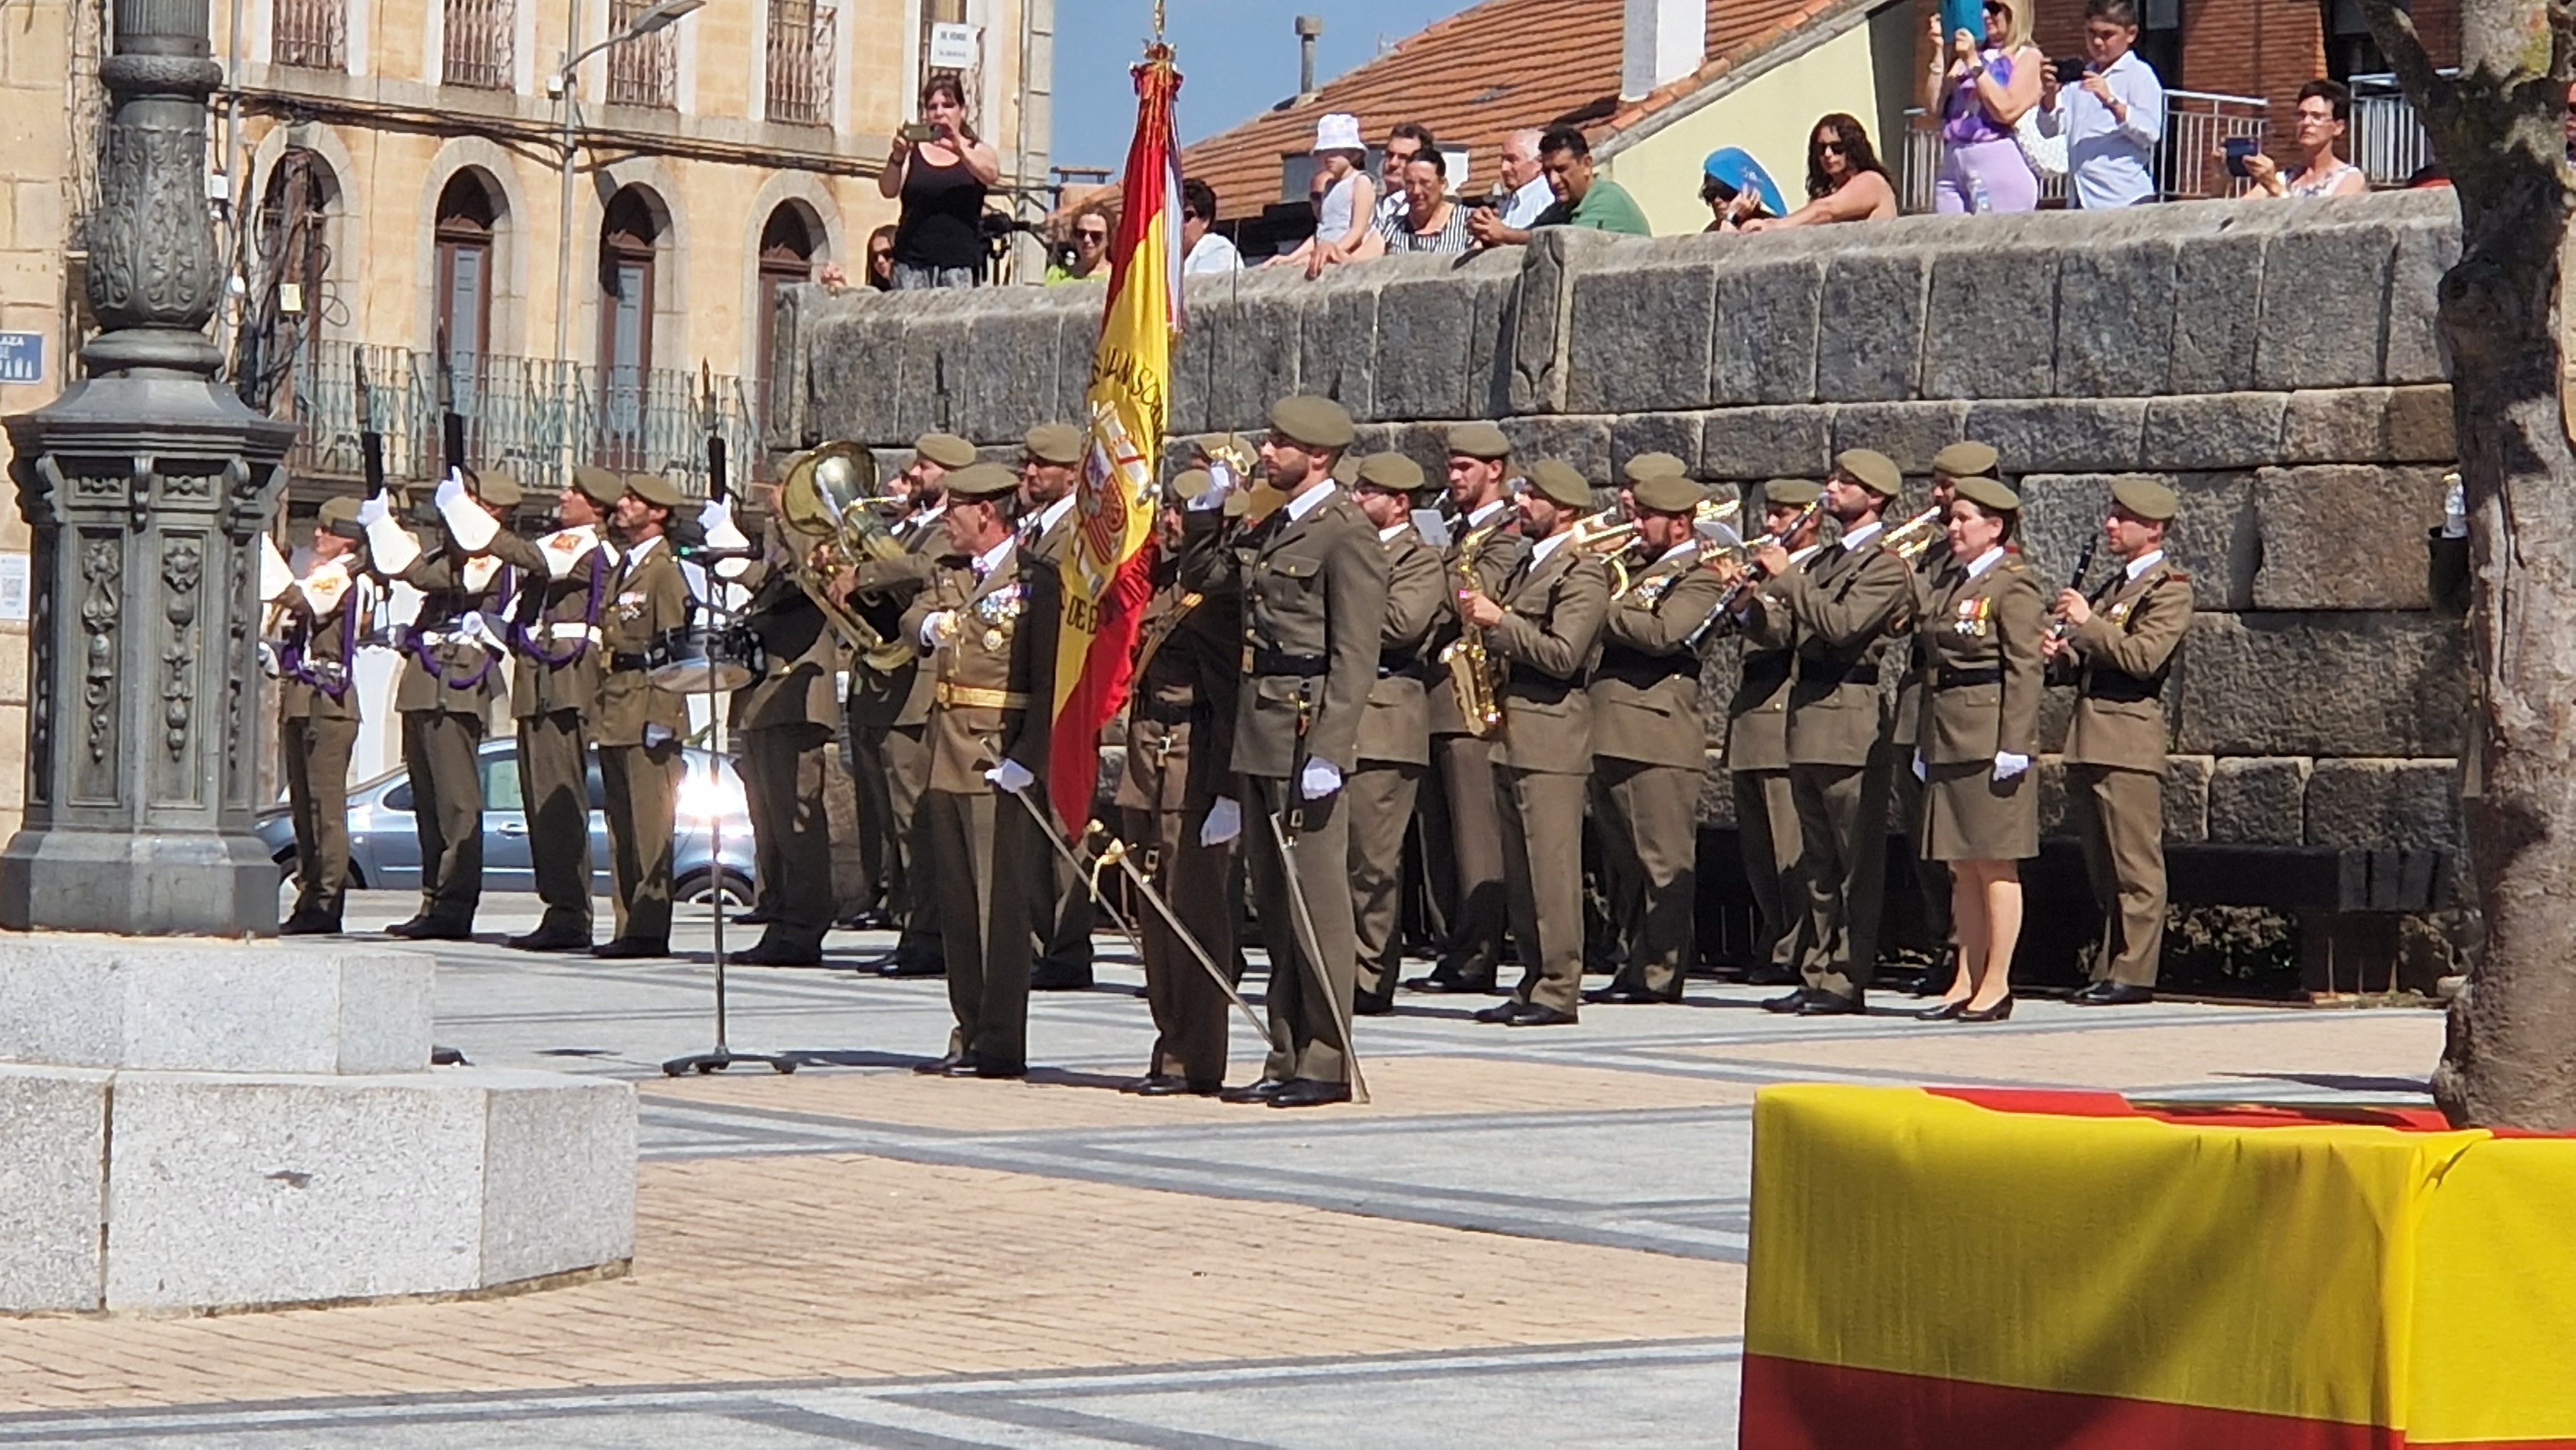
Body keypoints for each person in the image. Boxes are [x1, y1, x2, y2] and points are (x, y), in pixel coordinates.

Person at [1180, 396, 1390, 1108]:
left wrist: (1331, 747)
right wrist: (1206, 512)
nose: (1265, 453)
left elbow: (1355, 654)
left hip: (1306, 733)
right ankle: (1285, 1052)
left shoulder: (1346, 533)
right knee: (1273, 902)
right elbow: (1206, 583)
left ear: (1320, 456)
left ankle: (1327, 1059)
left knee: (1317, 907)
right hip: (1263, 730)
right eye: (1269, 440)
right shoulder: (1276, 522)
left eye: (1279, 444)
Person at [1722, 449, 1913, 1017]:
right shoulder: (1828, 559)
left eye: (1845, 483)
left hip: (1848, 719)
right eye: (1833, 478)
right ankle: (1817, 968)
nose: (1832, 488)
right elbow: (1785, 630)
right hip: (1806, 718)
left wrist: (1789, 578)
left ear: (1874, 498)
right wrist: (1747, 604)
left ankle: (1848, 975)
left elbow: (1842, 626)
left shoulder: (1883, 564)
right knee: (1819, 863)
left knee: (1854, 862)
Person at [903, 462, 1057, 1079]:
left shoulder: (1038, 581)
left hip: (998, 753)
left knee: (1000, 907)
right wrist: (926, 626)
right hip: (947, 750)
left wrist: (1029, 757)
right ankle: (967, 1027)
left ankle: (1000, 1040)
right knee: (959, 905)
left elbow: (1048, 682)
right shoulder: (951, 573)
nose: (947, 518)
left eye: (956, 508)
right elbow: (912, 616)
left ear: (986, 514)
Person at [1459, 458, 1608, 1027]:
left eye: (1533, 496)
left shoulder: (1582, 572)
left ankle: (1558, 988)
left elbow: (1564, 655)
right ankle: (1531, 979)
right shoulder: (1529, 564)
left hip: (1552, 738)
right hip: (1513, 733)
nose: (1520, 502)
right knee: (1521, 873)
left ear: (1564, 509)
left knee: (1550, 871)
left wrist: (1500, 621)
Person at [1115, 469, 1245, 1093]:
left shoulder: (1213, 597)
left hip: (1192, 759)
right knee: (1152, 908)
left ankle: (1197, 1055)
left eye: (1178, 512)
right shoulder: (1156, 582)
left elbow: (1228, 695)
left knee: (1192, 912)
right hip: (1148, 756)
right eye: (1165, 508)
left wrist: (1224, 787)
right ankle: (1168, 1039)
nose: (1166, 521)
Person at [374, 467, 542, 940]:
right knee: (428, 802)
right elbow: (419, 572)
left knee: (456, 804)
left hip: (457, 683)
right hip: (426, 680)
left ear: (492, 512)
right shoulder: (454, 549)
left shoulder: (490, 556)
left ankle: (453, 905)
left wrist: (401, 529)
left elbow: (434, 577)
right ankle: (433, 900)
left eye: (471, 501)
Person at [2046, 478, 2192, 1006]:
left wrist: (2088, 625)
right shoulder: (2114, 588)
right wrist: (2060, 653)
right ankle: (2111, 965)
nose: (2110, 523)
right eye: (2112, 513)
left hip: (2128, 737)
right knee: (2103, 864)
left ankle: (2135, 972)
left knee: (2135, 865)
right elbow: (2089, 659)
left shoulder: (2168, 588)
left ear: (2152, 528)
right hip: (2090, 735)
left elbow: (2142, 658)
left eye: (2122, 516)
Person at [1584, 460, 1725, 1005]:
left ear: (1681, 525)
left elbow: (1667, 633)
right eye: (1638, 514)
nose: (1636, 525)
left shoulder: (1699, 574)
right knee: (1625, 862)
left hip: (1658, 734)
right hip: (1611, 728)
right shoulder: (1633, 569)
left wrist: (1599, 607)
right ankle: (1633, 962)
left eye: (1649, 517)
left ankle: (1663, 972)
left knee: (1662, 860)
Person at [1910, 474, 2043, 1024]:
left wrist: (2015, 743)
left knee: (1995, 864)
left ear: (1996, 528)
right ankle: (1965, 975)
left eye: (1966, 518)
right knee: (1961, 865)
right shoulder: (1952, 582)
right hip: (1948, 732)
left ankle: (1997, 981)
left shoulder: (2013, 585)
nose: (1954, 526)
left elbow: (2025, 668)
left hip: (1989, 736)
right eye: (1954, 517)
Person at [838, 433, 970, 977]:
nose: (913, 474)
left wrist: (863, 576)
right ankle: (906, 923)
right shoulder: (907, 525)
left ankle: (929, 934)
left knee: (916, 820)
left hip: (914, 694)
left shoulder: (946, 533)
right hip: (881, 692)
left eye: (926, 467)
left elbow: (922, 569)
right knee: (891, 822)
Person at [1406, 422, 1530, 995]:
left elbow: (1483, 597)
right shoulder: (1453, 531)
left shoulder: (1508, 534)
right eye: (1451, 467)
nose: (1453, 478)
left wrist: (1433, 561)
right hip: (1433, 698)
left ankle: (1477, 953)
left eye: (1464, 469)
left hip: (1472, 704)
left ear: (1494, 471)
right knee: (1437, 836)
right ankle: (1448, 944)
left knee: (1475, 838)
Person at [1344, 453, 1447, 1016]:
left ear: (1399, 503)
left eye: (1369, 492)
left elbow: (1401, 625)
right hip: (1341, 714)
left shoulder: (1419, 558)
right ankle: (1337, 965)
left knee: (1372, 861)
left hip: (1385, 716)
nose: (1357, 500)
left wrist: (1336, 607)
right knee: (1334, 856)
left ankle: (1370, 973)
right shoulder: (1352, 548)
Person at [1888, 442, 1993, 991]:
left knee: (1965, 842)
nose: (1936, 495)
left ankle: (1968, 953)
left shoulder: (1996, 560)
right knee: (1924, 836)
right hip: (1917, 703)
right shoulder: (1932, 551)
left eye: (1948, 486)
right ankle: (1941, 941)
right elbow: (1901, 624)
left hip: (1962, 709)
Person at [504, 465, 621, 953]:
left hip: (565, 679)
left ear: (595, 506)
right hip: (542, 677)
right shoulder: (565, 540)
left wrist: (466, 514)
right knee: (539, 799)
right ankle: (560, 907)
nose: (562, 495)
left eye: (574, 492)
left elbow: (528, 556)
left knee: (558, 797)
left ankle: (571, 912)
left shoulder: (581, 543)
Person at [728, 487, 845, 967]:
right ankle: (778, 916)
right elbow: (772, 587)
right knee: (770, 824)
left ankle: (801, 929)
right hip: (766, 694)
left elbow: (810, 577)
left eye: (783, 492)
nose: (770, 498)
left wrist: (791, 517)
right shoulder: (782, 546)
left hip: (797, 694)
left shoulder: (820, 538)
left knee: (797, 825)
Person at [1716, 480, 1825, 987]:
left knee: (1788, 846)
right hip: (1752, 717)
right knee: (1759, 849)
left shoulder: (1814, 571)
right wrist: (1734, 596)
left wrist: (1754, 600)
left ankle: (1794, 946)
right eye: (1771, 515)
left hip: (1783, 710)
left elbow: (1783, 634)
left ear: (1811, 521)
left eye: (1783, 516)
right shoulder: (1766, 572)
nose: (1772, 526)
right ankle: (1775, 935)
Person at [591, 472, 694, 959]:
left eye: (635, 501)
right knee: (623, 826)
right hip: (617, 704)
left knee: (651, 828)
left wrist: (663, 714)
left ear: (659, 514)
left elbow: (673, 649)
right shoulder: (625, 566)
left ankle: (649, 928)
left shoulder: (663, 572)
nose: (623, 504)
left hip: (647, 705)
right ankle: (628, 923)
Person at [1017, 423, 1095, 990]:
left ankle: (1067, 950)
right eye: (1028, 463)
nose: (1031, 473)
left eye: (1044, 465)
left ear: (1073, 473)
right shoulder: (1033, 530)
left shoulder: (1077, 532)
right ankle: (1040, 942)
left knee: (1064, 828)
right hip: (1031, 693)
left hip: (1064, 694)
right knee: (1033, 830)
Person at [272, 496, 372, 936]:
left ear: (347, 540)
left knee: (325, 810)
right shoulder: (325, 574)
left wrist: (263, 552)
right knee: (303, 810)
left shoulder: (342, 576)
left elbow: (297, 598)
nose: (318, 535)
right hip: (304, 696)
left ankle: (327, 900)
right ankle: (310, 893)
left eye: (328, 531)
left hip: (328, 702)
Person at [2036, 0, 2165, 210]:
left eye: (2107, 35)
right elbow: (2049, 129)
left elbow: (2150, 133)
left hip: (2124, 197)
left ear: (2130, 34)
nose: (2097, 42)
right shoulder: (2081, 77)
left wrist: (2111, 101)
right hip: (2082, 199)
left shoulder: (2139, 75)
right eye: (2091, 33)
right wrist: (2049, 94)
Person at [1924, 0, 2045, 215]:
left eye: (1994, 8)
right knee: (1948, 240)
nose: (1985, 14)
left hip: (1997, 160)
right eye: (1982, 6)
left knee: (1995, 241)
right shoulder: (1972, 54)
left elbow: (2005, 111)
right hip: (1955, 161)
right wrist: (1940, 51)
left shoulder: (2027, 56)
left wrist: (1973, 63)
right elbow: (1935, 107)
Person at [880, 73, 999, 289]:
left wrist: (960, 150)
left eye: (948, 105)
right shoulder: (913, 152)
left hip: (959, 265)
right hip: (912, 265)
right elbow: (888, 190)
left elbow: (991, 174)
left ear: (962, 111)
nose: (940, 113)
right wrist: (897, 156)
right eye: (933, 107)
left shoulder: (977, 150)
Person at [1468, 126, 1650, 247]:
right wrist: (1487, 232)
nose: (1554, 180)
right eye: (1547, 172)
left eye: (1561, 169)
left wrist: (1504, 233)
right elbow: (1530, 240)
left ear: (1586, 165)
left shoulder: (1608, 199)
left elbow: (1567, 241)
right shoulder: (1560, 208)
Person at [1741, 115, 1900, 231]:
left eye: (1837, 148)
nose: (1828, 154)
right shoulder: (1830, 193)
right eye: (1822, 148)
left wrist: (1774, 226)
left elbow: (1827, 210)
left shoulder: (1871, 181)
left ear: (1853, 149)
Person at [1269, 114, 1376, 279]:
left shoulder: (1361, 182)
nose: (1328, 157)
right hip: (1322, 253)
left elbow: (1358, 230)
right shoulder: (1328, 187)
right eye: (1324, 152)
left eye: (1334, 151)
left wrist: (1332, 251)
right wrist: (1291, 257)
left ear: (1353, 154)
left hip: (1344, 256)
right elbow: (1322, 231)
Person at [2239, 80, 2369, 200]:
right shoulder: (2284, 178)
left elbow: (2324, 223)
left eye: (2317, 117)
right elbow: (2239, 211)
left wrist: (2276, 189)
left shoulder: (2349, 178)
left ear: (2338, 127)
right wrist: (2219, 177)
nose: (2306, 123)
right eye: (2302, 116)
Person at [1359, 151, 1473, 258]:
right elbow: (1359, 264)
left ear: (1442, 184)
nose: (1416, 191)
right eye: (1410, 183)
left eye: (1425, 183)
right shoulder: (1394, 227)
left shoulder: (1468, 222)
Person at [1700, 147, 1786, 232]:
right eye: (1710, 194)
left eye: (1726, 192)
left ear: (1750, 193)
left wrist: (1733, 218)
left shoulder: (1768, 228)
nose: (1717, 200)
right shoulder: (1711, 231)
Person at [1372, 122, 1439, 231]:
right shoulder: (1370, 200)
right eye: (1390, 155)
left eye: (1404, 158)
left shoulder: (1420, 207)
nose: (1393, 163)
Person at [1493, 128, 1555, 229]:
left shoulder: (1547, 197)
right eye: (1503, 160)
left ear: (1538, 163)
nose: (1504, 169)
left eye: (1512, 160)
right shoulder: (1511, 200)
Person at [1180, 178, 1243, 275]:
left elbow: (1201, 288)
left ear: (1205, 220)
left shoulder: (1216, 249)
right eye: (1174, 217)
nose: (1179, 224)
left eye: (1187, 216)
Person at [1046, 202, 1114, 284]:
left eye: (1096, 235)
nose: (1087, 239)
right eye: (1081, 234)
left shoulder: (1117, 278)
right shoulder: (1055, 276)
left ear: (1109, 238)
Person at [865, 225, 897, 290]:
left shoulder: (919, 290)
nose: (880, 260)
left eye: (887, 254)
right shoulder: (872, 295)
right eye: (875, 256)